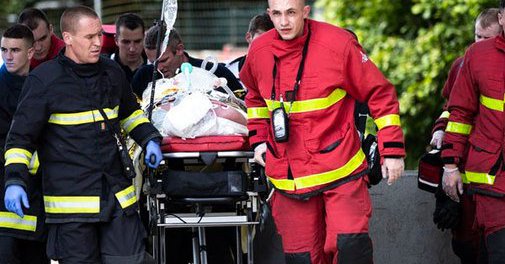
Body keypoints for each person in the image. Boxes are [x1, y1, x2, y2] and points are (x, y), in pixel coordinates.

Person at [240, 0, 405, 263]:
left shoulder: (337, 44)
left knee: (352, 251)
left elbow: (380, 93)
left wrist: (392, 150)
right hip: (290, 180)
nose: (284, 22)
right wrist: (259, 140)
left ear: (305, 12)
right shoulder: (259, 50)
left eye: (291, 13)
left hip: (340, 171)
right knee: (303, 259)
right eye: (278, 14)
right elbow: (255, 97)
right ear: (269, 14)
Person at [3, 6, 163, 263]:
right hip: (71, 208)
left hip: (117, 196)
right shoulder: (44, 80)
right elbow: (21, 139)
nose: (98, 43)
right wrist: (14, 181)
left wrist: (149, 139)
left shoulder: (112, 72)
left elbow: (131, 114)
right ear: (67, 38)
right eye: (90, 37)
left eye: (99, 35)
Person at [429, 8, 501, 264]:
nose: (477, 43)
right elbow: (454, 109)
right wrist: (440, 130)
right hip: (464, 162)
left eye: (485, 38)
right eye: (476, 36)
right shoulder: (464, 62)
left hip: (490, 167)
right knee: (465, 242)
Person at [0, 24, 49, 264]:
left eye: (15, 50)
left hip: (37, 196)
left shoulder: (42, 87)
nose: (8, 56)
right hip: (6, 191)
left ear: (30, 53)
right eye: (4, 50)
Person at [131, 28, 243, 99]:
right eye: (152, 62)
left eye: (164, 60)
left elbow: (242, 107)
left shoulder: (215, 71)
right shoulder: (143, 77)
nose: (158, 68)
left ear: (179, 49)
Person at [226, 12, 274, 80]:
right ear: (248, 37)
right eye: (261, 40)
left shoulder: (284, 76)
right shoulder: (227, 73)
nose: (265, 47)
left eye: (271, 42)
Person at [112, 13, 147, 82]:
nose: (132, 49)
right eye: (126, 42)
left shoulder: (156, 67)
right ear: (116, 40)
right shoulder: (102, 67)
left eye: (137, 41)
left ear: (144, 39)